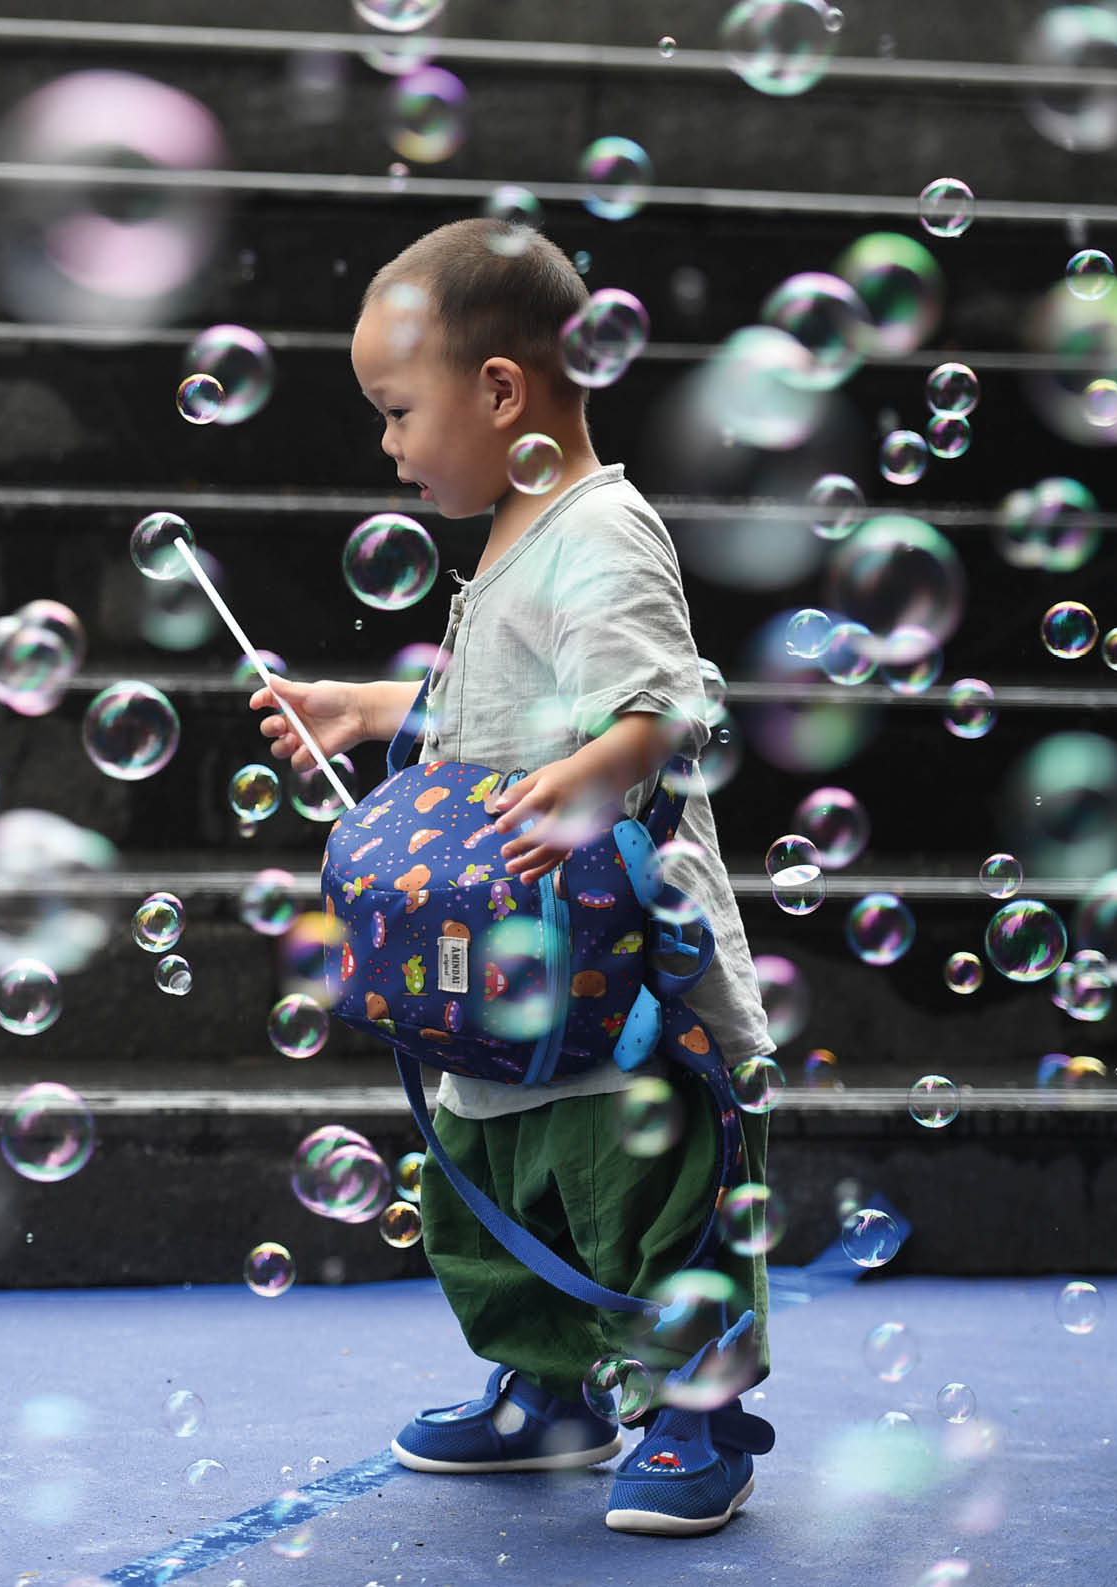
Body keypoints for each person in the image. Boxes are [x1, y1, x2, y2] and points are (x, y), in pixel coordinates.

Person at [250, 217, 777, 1537]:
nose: (386, 444)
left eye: (396, 409)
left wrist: (600, 771)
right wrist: (371, 711)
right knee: (495, 1181)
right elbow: (485, 718)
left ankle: (692, 1408)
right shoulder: (507, 535)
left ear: (498, 391)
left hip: (624, 966)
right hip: (506, 959)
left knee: (644, 1186)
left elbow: (663, 710)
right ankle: (551, 1387)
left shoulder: (600, 531)